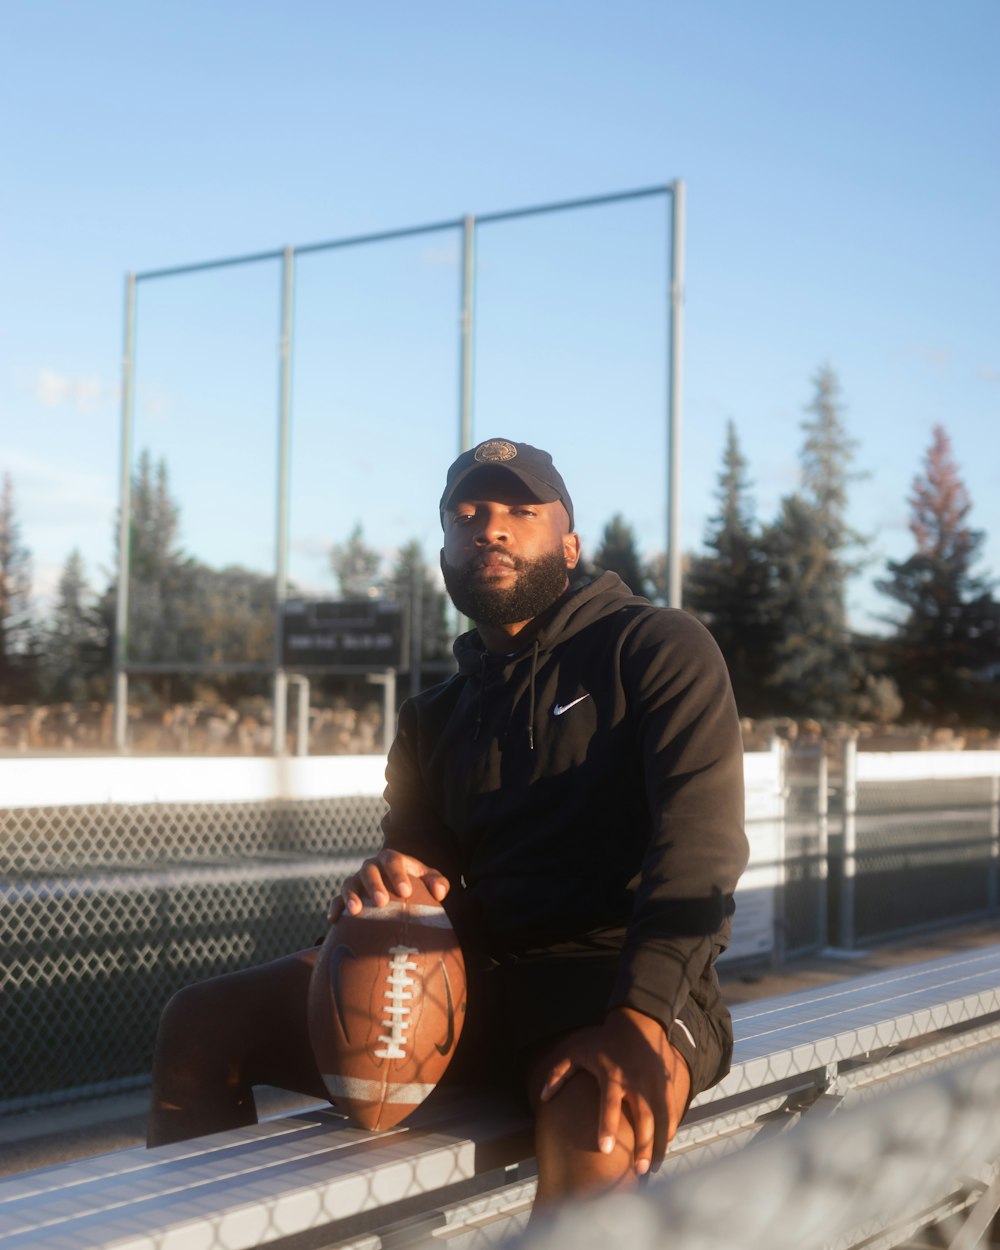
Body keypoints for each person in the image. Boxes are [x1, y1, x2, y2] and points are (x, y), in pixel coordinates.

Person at [148, 437, 748, 1207]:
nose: (488, 528)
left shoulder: (655, 646)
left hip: (622, 983)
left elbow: (699, 850)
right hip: (478, 988)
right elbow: (418, 877)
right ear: (445, 549)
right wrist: (385, 885)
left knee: (593, 1121)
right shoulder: (433, 717)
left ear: (569, 542)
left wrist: (640, 1016)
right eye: (466, 514)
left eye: (518, 511)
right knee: (203, 1022)